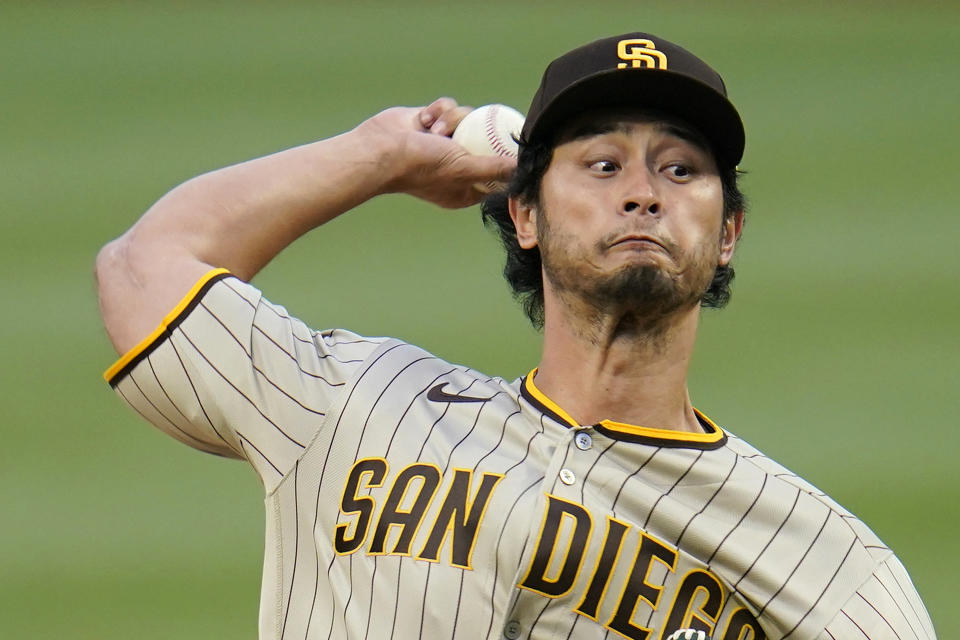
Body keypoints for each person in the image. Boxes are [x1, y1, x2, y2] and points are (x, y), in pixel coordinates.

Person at [95, 32, 936, 640]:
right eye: (603, 165)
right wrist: (379, 155)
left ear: (728, 234)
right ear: (525, 214)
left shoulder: (828, 565)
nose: (643, 193)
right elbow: (143, 269)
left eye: (680, 170)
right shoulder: (351, 404)